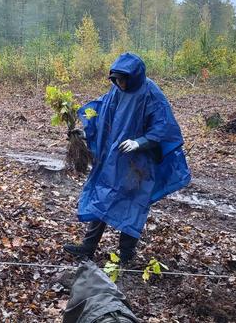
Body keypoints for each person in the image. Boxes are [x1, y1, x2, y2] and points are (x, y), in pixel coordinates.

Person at [63, 52, 191, 264]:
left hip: (138, 164)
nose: (119, 84)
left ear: (133, 77)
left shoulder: (151, 94)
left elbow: (163, 127)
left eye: (122, 80)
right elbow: (102, 116)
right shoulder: (116, 91)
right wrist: (85, 133)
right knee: (103, 196)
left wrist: (139, 142)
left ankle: (126, 254)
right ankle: (87, 247)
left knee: (133, 203)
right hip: (115, 158)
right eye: (116, 80)